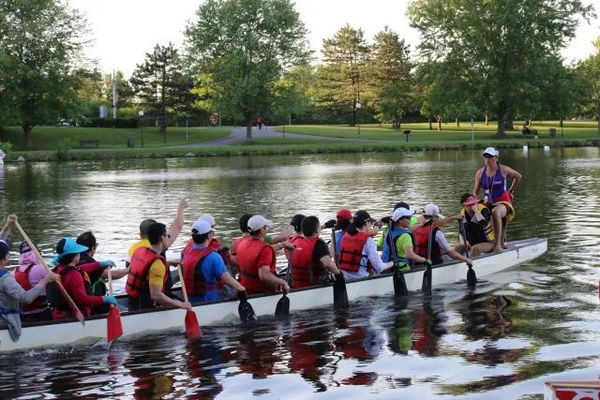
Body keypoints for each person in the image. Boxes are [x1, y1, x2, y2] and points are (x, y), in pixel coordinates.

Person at [0, 239, 60, 341]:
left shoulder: (13, 272)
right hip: (31, 317)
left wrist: (7, 226)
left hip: (21, 317)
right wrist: (45, 280)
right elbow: (26, 298)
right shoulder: (6, 278)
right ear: (5, 257)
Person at [47, 237, 118, 320]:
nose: (79, 255)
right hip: (75, 317)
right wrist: (104, 299)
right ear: (75, 256)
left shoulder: (59, 268)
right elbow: (83, 299)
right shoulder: (74, 275)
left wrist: (99, 264)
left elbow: (80, 269)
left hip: (58, 315)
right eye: (78, 253)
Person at [126, 222, 192, 311]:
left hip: (134, 303)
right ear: (162, 238)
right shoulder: (157, 265)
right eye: (167, 236)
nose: (168, 238)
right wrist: (181, 305)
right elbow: (156, 295)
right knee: (183, 303)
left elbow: (147, 267)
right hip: (146, 308)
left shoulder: (140, 252)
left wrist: (168, 263)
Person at [181, 219, 246, 303]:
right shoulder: (213, 256)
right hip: (210, 300)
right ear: (209, 236)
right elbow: (227, 280)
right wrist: (242, 289)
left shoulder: (186, 251)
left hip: (190, 300)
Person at [472, 147, 521, 251]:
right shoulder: (480, 173)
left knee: (495, 212)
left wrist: (511, 190)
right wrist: (476, 207)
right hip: (487, 203)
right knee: (470, 215)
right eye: (486, 157)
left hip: (503, 202)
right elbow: (475, 193)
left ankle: (498, 245)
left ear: (496, 158)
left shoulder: (503, 170)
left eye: (490, 157)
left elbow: (518, 176)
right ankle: (475, 246)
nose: (488, 160)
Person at [236, 215, 290, 295]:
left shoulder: (242, 244)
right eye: (266, 227)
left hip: (246, 290)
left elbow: (255, 252)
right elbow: (264, 275)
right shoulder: (265, 249)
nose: (267, 230)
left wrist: (282, 245)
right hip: (262, 293)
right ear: (261, 230)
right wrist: (282, 282)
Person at [338, 210, 393, 281]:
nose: (370, 225)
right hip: (362, 279)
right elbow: (379, 267)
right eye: (370, 223)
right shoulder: (368, 241)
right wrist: (392, 263)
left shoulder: (346, 236)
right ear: (366, 223)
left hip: (346, 278)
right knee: (389, 267)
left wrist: (378, 221)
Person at [289, 216, 340, 288]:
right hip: (314, 286)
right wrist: (338, 274)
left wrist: (324, 226)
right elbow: (328, 263)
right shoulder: (319, 244)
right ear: (316, 230)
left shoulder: (293, 241)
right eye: (319, 227)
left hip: (296, 285)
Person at [381, 207, 429, 272]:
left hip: (387, 268)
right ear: (400, 220)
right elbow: (410, 255)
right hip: (401, 269)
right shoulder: (405, 236)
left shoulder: (389, 232)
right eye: (408, 218)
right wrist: (425, 260)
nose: (410, 220)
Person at [13, 241, 51, 322]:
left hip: (22, 316)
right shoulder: (42, 269)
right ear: (36, 253)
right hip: (41, 314)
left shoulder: (13, 272)